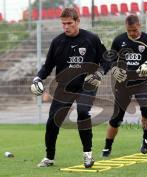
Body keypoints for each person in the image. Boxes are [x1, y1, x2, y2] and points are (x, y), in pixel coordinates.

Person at [30, 8, 109, 168]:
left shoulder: (91, 39)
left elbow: (107, 61)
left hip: (87, 84)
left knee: (82, 112)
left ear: (77, 21)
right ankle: (49, 157)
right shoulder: (57, 42)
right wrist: (38, 77)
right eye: (63, 24)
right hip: (65, 86)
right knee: (52, 120)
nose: (66, 27)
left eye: (69, 23)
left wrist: (100, 73)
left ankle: (88, 155)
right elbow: (48, 66)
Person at [102, 14, 147, 157]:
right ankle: (107, 146)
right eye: (129, 31)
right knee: (116, 118)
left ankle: (146, 139)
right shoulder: (119, 40)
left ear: (139, 25)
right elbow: (111, 60)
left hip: (142, 82)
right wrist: (115, 69)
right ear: (126, 28)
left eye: (134, 30)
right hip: (123, 83)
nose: (132, 34)